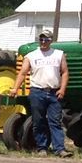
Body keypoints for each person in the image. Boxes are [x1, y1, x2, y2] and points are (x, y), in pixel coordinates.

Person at [14, 27, 68, 155]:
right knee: (39, 121)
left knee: (55, 121)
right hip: (37, 91)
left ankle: (59, 149)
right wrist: (15, 88)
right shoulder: (31, 56)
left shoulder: (58, 54)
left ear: (51, 41)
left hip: (54, 92)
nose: (43, 41)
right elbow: (22, 73)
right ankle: (42, 147)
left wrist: (62, 89)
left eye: (46, 39)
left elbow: (65, 72)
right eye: (41, 39)